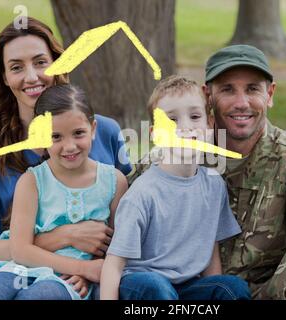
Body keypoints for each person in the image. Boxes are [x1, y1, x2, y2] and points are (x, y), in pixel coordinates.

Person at [130, 45, 286, 300]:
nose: (241, 103)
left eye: (252, 89)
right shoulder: (178, 155)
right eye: (227, 89)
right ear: (208, 96)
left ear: (269, 94)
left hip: (274, 293)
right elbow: (111, 197)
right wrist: (84, 237)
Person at [0, 17, 131, 299]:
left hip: (79, 282)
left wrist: (87, 268)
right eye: (16, 67)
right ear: (4, 77)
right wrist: (64, 237)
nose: (31, 77)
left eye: (41, 62)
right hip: (9, 273)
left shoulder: (104, 132)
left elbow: (124, 230)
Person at [100, 75, 251, 300]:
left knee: (231, 288)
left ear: (209, 124)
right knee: (157, 288)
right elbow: (113, 264)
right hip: (141, 285)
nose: (185, 127)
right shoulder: (143, 193)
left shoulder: (213, 184)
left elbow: (210, 251)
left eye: (195, 116)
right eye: (171, 121)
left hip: (186, 288)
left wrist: (213, 291)